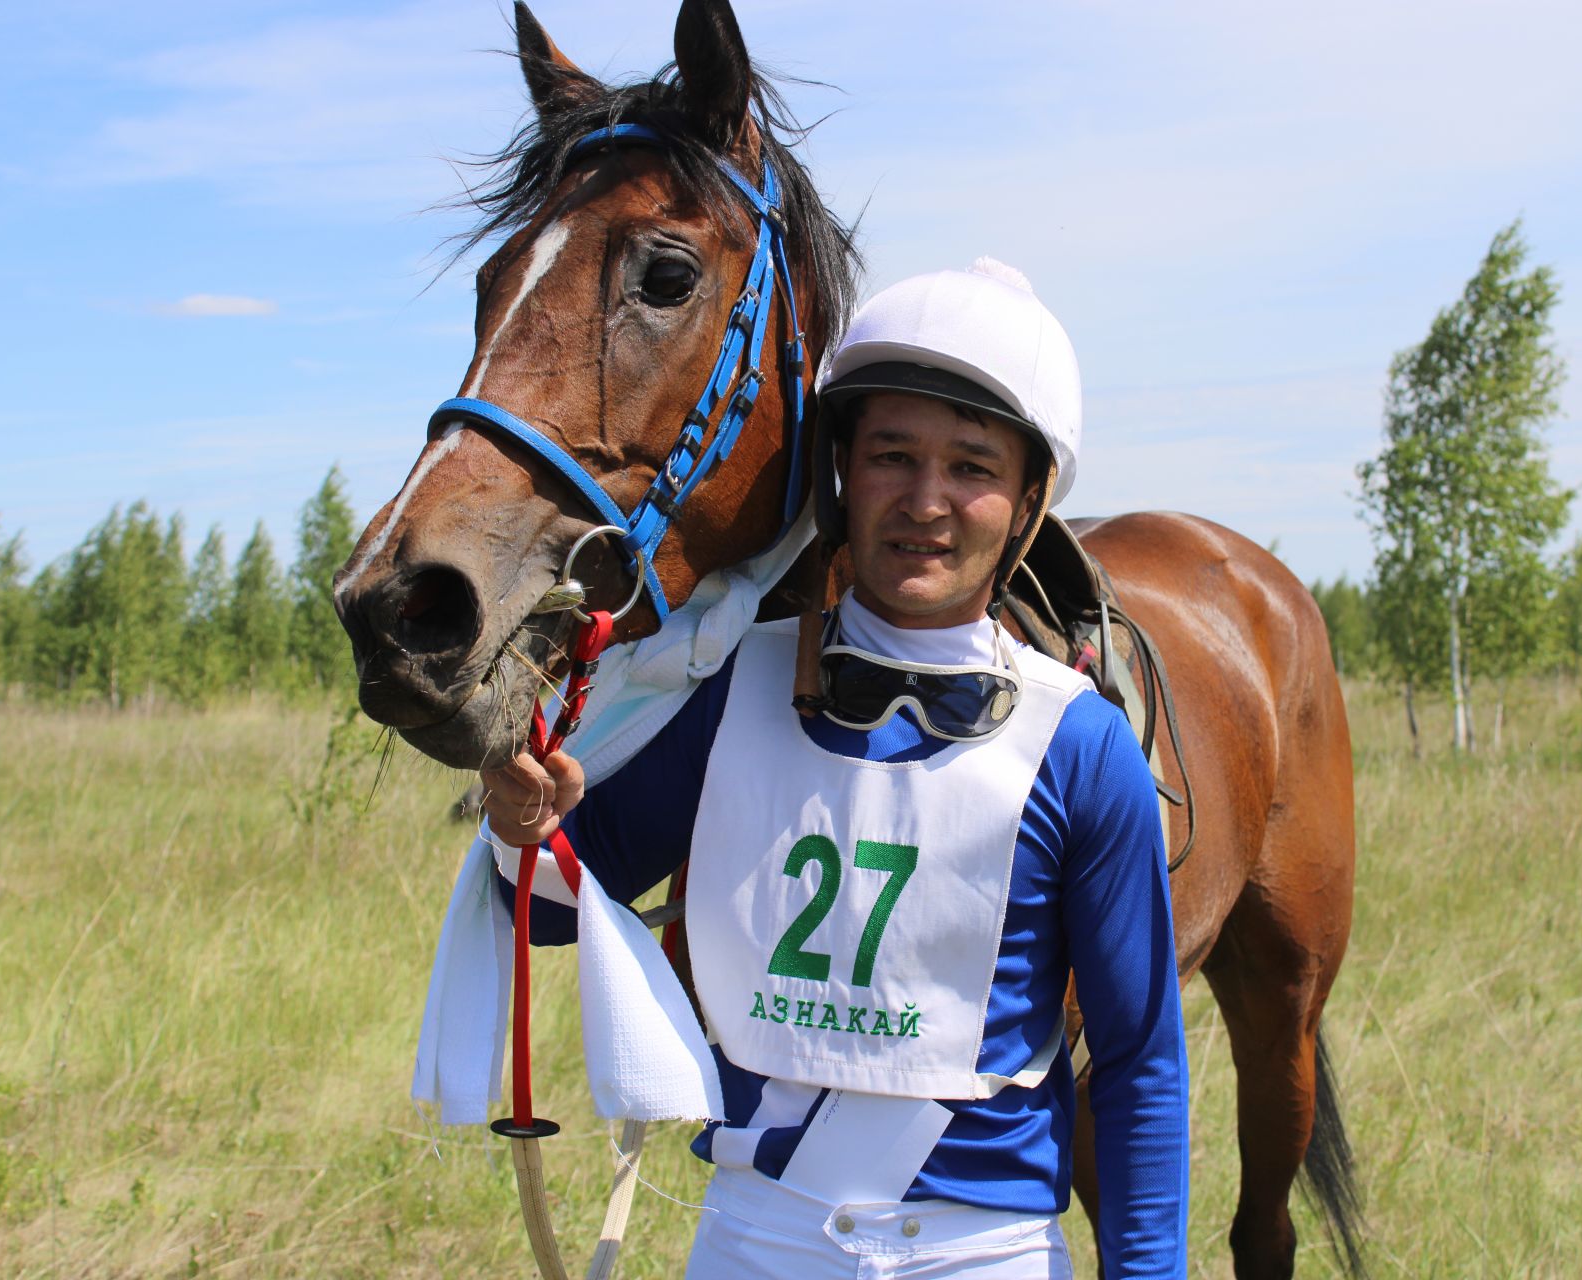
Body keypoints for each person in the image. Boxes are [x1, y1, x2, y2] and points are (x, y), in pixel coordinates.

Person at [480, 259, 1188, 1278]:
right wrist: (526, 818)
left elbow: (1139, 1062)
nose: (927, 501)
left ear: (1030, 498)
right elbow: (550, 905)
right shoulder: (727, 693)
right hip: (754, 1242)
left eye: (973, 468)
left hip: (982, 1255)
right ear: (842, 471)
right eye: (893, 454)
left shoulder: (1081, 745)